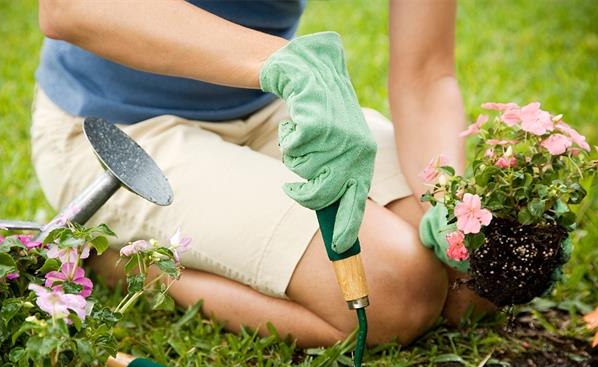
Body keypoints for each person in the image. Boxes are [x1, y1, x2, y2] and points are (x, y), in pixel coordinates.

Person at [32, 0, 494, 347]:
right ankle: (128, 265)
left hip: (265, 105)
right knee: (394, 296)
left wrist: (446, 199)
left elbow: (426, 73)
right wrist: (284, 62)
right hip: (120, 133)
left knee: (471, 287)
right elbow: (70, 7)